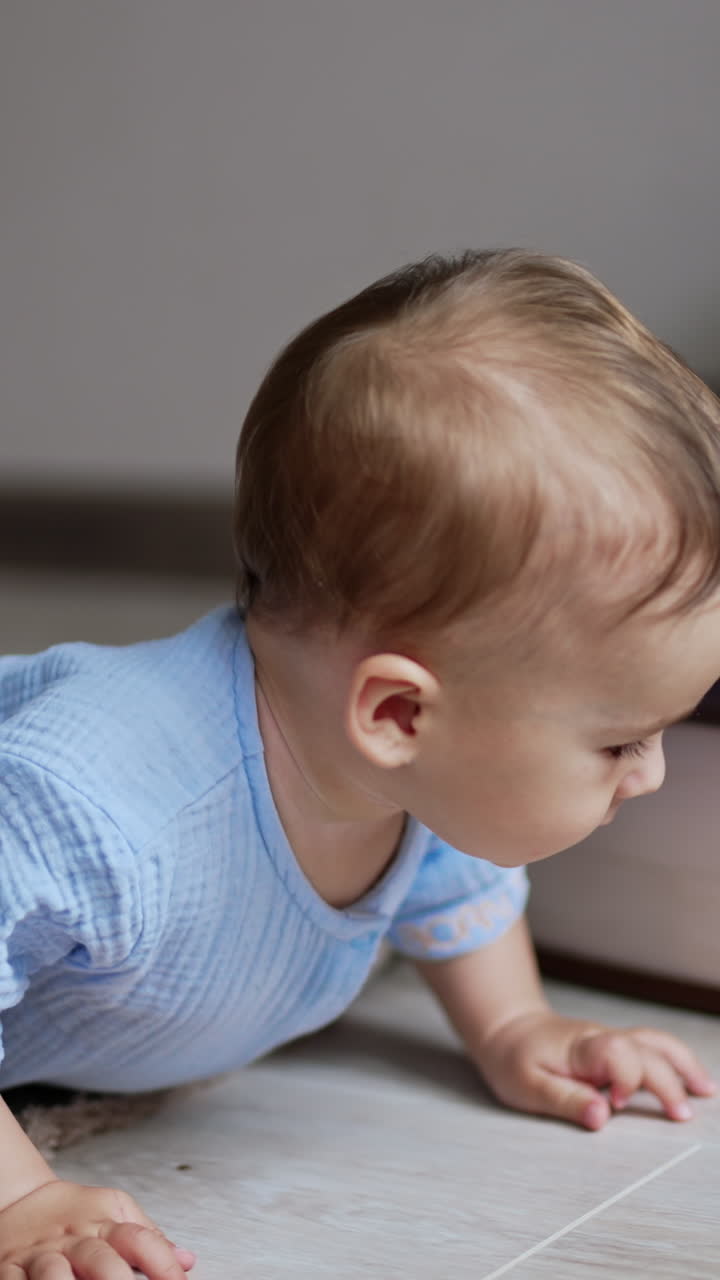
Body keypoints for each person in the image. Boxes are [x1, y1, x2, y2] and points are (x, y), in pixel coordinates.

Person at [1, 248, 719, 1278]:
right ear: (395, 710)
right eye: (620, 739)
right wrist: (21, 1195)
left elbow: (454, 869)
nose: (648, 773)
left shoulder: (407, 771)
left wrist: (516, 1024)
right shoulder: (92, 802)